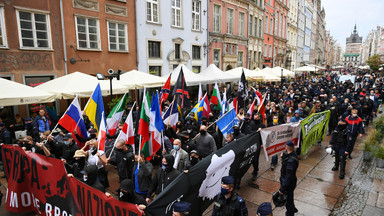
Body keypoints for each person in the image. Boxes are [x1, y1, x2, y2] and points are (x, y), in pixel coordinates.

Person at [279, 141, 299, 216]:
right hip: (292, 181)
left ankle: (290, 213)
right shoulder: (293, 154)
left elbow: (288, 177)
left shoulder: (291, 161)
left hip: (288, 183)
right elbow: (288, 156)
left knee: (288, 200)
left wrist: (282, 188)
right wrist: (283, 156)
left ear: (286, 147)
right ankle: (293, 208)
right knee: (290, 196)